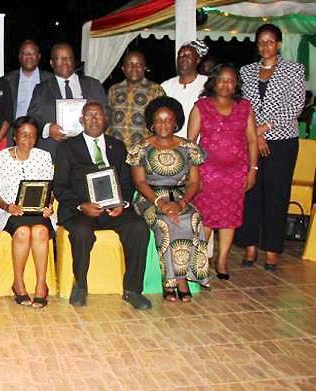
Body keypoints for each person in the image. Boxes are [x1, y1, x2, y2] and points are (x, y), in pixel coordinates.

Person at [53, 101, 151, 310]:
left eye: (98, 115)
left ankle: (133, 289)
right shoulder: (67, 148)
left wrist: (122, 203)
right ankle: (80, 285)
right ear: (81, 120)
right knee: (81, 231)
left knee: (139, 227)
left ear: (106, 120)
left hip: (113, 208)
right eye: (89, 115)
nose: (94, 119)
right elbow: (60, 187)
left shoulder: (117, 146)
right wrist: (81, 205)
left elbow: (127, 182)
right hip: (81, 210)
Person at [235, 23, 306, 270]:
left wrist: (263, 129)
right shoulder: (246, 71)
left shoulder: (294, 70)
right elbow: (242, 107)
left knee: (276, 196)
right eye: (261, 41)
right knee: (250, 192)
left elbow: (295, 106)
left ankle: (272, 250)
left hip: (283, 141)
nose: (265, 45)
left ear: (278, 44)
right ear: (257, 45)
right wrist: (254, 135)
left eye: (270, 41)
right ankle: (250, 246)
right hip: (251, 140)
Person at [128, 97, 209, 302]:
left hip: (180, 196)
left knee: (193, 218)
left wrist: (181, 204)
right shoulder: (141, 148)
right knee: (164, 223)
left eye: (168, 120)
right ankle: (169, 280)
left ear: (176, 122)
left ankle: (182, 279)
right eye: (158, 120)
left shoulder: (189, 147)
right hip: (149, 198)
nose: (163, 124)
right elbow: (139, 182)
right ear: (151, 124)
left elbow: (194, 183)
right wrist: (160, 203)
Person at [188, 64, 258, 280]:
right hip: (208, 173)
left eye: (231, 80)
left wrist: (252, 170)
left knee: (229, 219)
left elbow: (253, 139)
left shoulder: (244, 106)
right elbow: (191, 143)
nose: (226, 84)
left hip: (236, 174)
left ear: (236, 83)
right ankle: (199, 263)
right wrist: (194, 174)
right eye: (222, 79)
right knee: (206, 219)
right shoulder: (201, 106)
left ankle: (222, 261)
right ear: (214, 82)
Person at [0, 116, 54, 308]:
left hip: (38, 211)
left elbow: (49, 189)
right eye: (24, 134)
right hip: (11, 211)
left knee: (40, 232)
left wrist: (48, 205)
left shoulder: (44, 156)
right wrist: (7, 206)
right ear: (15, 136)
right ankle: (18, 283)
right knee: (23, 232)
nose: (28, 139)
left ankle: (42, 285)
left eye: (33, 136)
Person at [27, 42, 108, 156]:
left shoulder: (93, 85)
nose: (65, 62)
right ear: (52, 62)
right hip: (54, 151)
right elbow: (32, 119)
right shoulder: (42, 89)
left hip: (88, 149)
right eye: (60, 58)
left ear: (74, 61)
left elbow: (107, 114)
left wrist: (94, 125)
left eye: (69, 58)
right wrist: (47, 129)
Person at [106, 50, 165, 148]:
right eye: (130, 64)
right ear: (123, 68)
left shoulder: (156, 90)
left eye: (139, 64)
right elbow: (108, 119)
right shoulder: (114, 90)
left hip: (142, 150)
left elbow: (162, 123)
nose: (134, 68)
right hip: (116, 149)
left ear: (144, 68)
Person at [161, 41, 209, 139]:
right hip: (171, 146)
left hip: (200, 147)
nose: (183, 58)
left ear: (197, 60)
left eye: (188, 55)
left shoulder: (208, 84)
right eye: (181, 55)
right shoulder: (166, 86)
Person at [4, 40, 54, 120]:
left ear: (39, 56)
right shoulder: (7, 80)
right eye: (24, 53)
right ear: (19, 57)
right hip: (15, 129)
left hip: (42, 130)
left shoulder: (51, 79)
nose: (29, 56)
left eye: (32, 53)